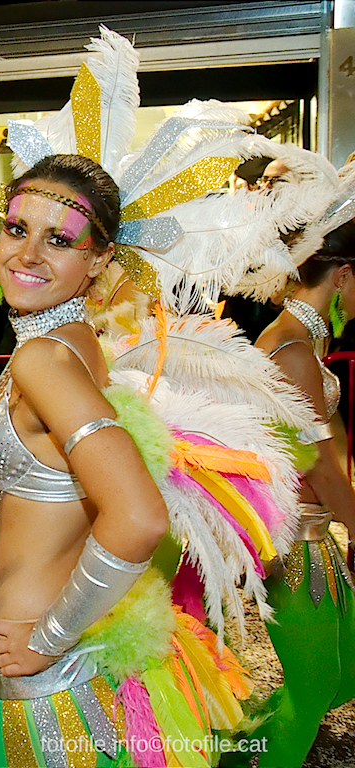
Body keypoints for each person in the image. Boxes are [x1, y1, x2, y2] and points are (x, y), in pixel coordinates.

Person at [0, 154, 170, 765]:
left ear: (99, 259)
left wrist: (50, 638)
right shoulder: (73, 342)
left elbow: (139, 518)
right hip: (37, 666)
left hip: (47, 685)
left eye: (58, 240)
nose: (26, 255)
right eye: (15, 229)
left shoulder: (44, 360)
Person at [247, 219, 355, 767]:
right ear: (343, 275)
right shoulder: (289, 347)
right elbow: (318, 467)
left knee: (343, 676)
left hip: (317, 535)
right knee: (315, 687)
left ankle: (232, 745)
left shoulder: (307, 339)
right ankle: (232, 752)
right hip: (292, 544)